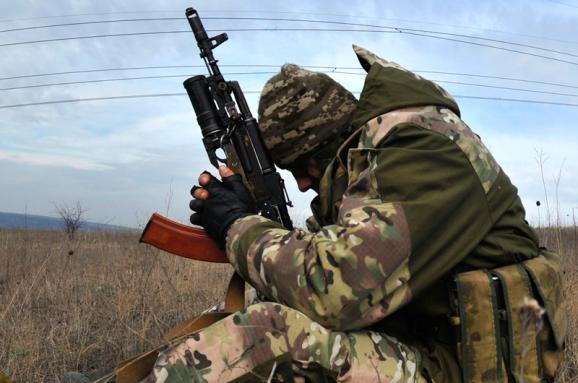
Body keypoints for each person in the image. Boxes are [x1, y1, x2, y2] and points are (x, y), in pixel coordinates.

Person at [141, 45, 565, 382]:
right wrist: (255, 215)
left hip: (462, 368)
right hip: (419, 344)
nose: (304, 185)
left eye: (302, 168)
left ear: (329, 144)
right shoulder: (372, 163)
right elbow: (315, 259)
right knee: (245, 318)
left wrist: (237, 225)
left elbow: (333, 290)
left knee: (265, 333)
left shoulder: (426, 149)